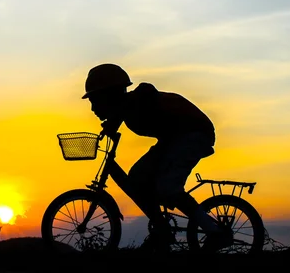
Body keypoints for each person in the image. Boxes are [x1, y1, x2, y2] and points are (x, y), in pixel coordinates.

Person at [82, 63, 232, 253]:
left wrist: (115, 119)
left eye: (95, 101)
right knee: (137, 177)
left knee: (168, 187)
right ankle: (161, 228)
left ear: (109, 95)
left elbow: (145, 90)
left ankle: (214, 232)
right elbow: (121, 113)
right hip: (174, 138)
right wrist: (111, 124)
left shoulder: (136, 99)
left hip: (193, 134)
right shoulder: (125, 109)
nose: (93, 108)